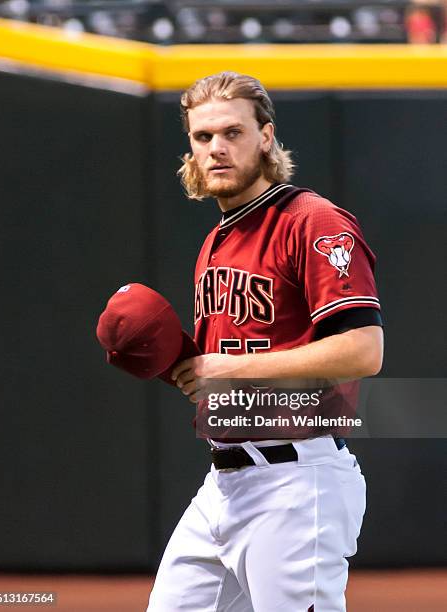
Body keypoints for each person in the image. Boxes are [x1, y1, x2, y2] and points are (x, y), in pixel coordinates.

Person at [147, 72, 384, 611]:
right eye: (202, 137)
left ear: (267, 136)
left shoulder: (311, 221)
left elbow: (364, 351)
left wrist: (223, 371)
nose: (217, 148)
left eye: (232, 132)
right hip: (224, 483)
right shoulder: (216, 240)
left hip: (297, 484)